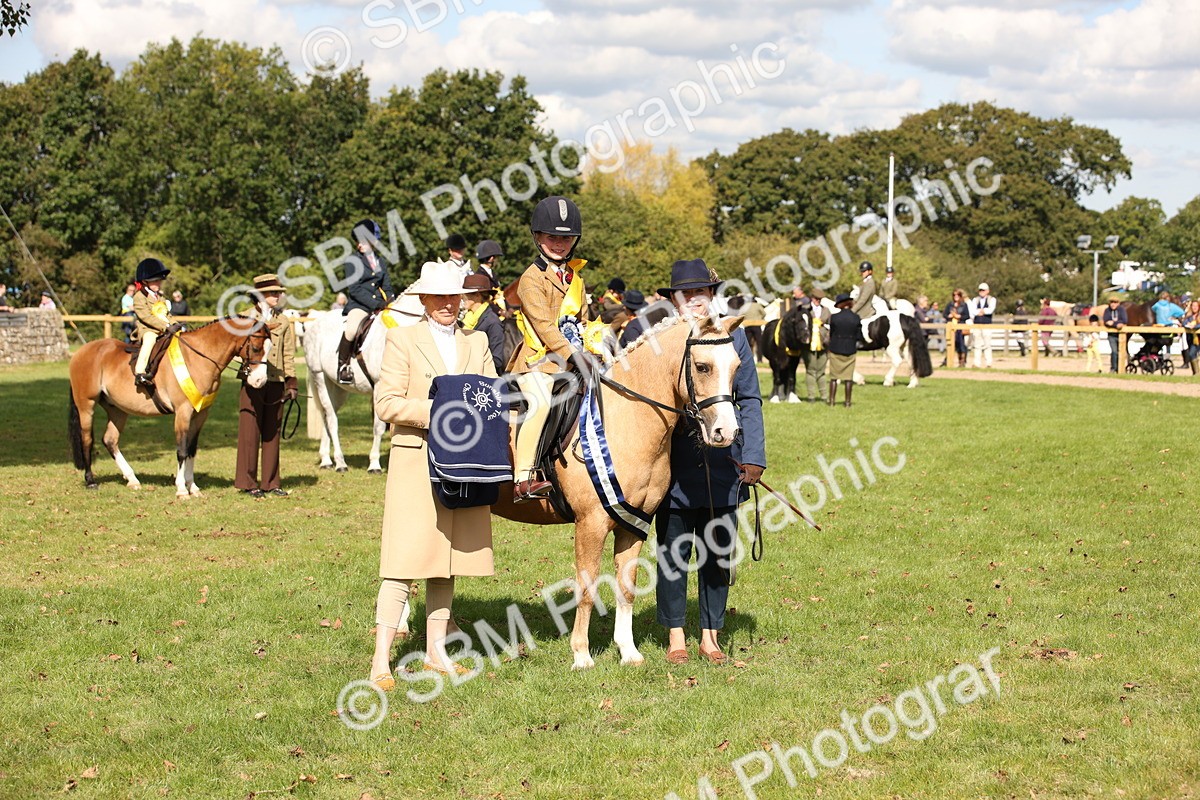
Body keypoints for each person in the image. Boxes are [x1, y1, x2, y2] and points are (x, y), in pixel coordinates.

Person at [370, 261, 497, 685]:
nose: (447, 304)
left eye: (453, 297)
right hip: (415, 460)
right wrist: (442, 413)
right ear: (424, 300)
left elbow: (490, 396)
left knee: (446, 561)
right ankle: (380, 662)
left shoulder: (476, 340)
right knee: (402, 562)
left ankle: (436, 654)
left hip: (464, 464)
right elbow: (386, 403)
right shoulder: (401, 339)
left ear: (463, 299)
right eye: (439, 297)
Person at [655, 258, 764, 666]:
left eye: (699, 293)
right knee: (672, 551)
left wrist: (752, 456)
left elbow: (750, 398)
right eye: (685, 295)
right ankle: (676, 635)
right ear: (674, 300)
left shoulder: (734, 339)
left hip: (724, 463)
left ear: (711, 296)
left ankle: (710, 635)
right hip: (673, 465)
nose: (693, 302)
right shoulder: (663, 340)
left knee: (717, 553)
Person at [510, 196, 592, 502]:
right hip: (538, 364)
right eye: (552, 237)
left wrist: (594, 347)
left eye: (566, 238)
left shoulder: (577, 280)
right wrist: (573, 354)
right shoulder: (530, 279)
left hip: (575, 362)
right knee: (542, 399)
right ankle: (524, 478)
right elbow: (544, 326)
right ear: (538, 237)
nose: (559, 243)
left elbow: (582, 321)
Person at [235, 274, 297, 498]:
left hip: (276, 380)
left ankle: (271, 482)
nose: (278, 295)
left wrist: (291, 380)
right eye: (273, 292)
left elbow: (288, 352)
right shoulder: (245, 318)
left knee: (272, 432)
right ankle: (248, 481)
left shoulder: (284, 321)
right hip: (252, 381)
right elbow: (236, 350)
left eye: (279, 292)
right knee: (249, 432)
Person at [338, 218, 395, 384]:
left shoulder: (379, 261)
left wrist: (391, 301)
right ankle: (343, 366)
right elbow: (354, 289)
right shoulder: (352, 261)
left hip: (382, 306)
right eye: (358, 241)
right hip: (360, 306)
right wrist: (376, 304)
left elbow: (387, 285)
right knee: (351, 329)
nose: (360, 244)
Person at [131, 258, 176, 387]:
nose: (158, 283)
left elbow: (167, 314)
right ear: (145, 282)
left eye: (159, 281)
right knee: (150, 340)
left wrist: (176, 325)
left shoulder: (160, 297)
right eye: (155, 281)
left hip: (164, 329)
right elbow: (146, 317)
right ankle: (140, 373)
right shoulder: (139, 297)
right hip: (148, 329)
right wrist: (166, 326)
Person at [461, 271, 506, 374]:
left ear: (477, 296)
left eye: (466, 295)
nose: (462, 298)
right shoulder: (468, 319)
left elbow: (497, 361)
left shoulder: (493, 322)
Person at [827, 293, 859, 407]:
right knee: (848, 378)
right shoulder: (856, 317)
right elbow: (858, 335)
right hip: (850, 348)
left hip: (836, 348)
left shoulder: (834, 318)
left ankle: (831, 401)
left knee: (834, 377)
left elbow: (831, 334)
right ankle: (847, 402)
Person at [800, 288, 830, 402]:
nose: (818, 301)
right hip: (809, 344)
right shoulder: (805, 310)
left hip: (823, 344)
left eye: (820, 299)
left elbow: (830, 325)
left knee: (822, 371)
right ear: (812, 298)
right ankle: (811, 396)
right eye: (816, 299)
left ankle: (824, 396)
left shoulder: (826, 311)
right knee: (811, 370)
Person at [969, 282, 996, 367]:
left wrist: (981, 311)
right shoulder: (975, 299)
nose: (982, 292)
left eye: (983, 290)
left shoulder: (992, 299)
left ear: (988, 291)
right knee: (977, 344)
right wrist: (981, 311)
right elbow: (973, 311)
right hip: (977, 324)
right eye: (980, 290)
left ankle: (989, 363)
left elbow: (990, 310)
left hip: (987, 324)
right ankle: (977, 363)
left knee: (987, 344)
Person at [1102, 297, 1128, 373]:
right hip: (1111, 335)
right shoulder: (1107, 310)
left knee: (1121, 352)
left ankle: (1120, 368)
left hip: (1120, 335)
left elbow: (1124, 320)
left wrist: (1113, 323)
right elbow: (1106, 321)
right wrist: (1116, 324)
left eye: (1115, 302)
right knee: (1114, 351)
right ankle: (1113, 368)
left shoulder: (1122, 310)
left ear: (1118, 303)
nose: (1113, 304)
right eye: (1111, 302)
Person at [945, 289, 969, 367]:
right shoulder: (950, 305)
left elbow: (967, 316)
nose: (956, 297)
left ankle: (962, 361)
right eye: (954, 295)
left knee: (961, 344)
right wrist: (949, 316)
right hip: (951, 327)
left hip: (960, 327)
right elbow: (944, 314)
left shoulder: (964, 305)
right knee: (950, 343)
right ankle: (947, 360)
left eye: (957, 295)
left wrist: (960, 316)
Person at [1181, 300, 1200, 375]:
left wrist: (1195, 326)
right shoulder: (1189, 316)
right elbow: (1184, 322)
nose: (1194, 307)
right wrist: (1187, 325)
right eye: (1193, 306)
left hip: (1198, 338)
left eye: (1196, 306)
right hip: (1191, 338)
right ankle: (1196, 373)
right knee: (1191, 354)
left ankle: (1197, 373)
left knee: (1192, 353)